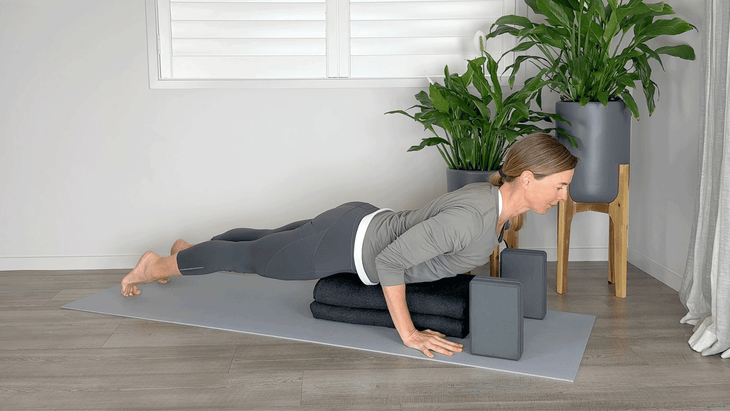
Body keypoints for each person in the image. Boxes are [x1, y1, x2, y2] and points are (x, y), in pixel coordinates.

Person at [120, 133, 578, 358]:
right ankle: (154, 266)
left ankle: (188, 250)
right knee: (252, 259)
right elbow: (392, 261)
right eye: (558, 187)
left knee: (265, 240)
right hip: (347, 245)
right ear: (526, 178)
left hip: (357, 219)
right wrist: (410, 334)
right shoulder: (472, 218)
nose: (564, 197)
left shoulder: (492, 200)